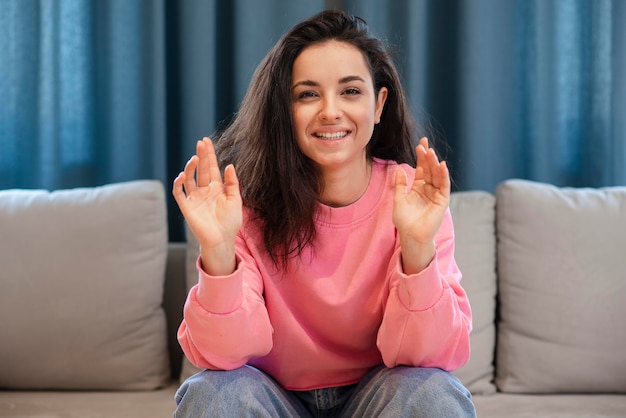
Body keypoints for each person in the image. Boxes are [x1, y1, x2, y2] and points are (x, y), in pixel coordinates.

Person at [172, 9, 475, 418]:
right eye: (308, 94)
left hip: (378, 396)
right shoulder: (246, 204)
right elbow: (222, 356)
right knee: (213, 392)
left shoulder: (413, 193)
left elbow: (432, 355)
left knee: (432, 391)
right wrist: (219, 249)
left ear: (379, 103)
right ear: (286, 109)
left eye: (350, 91)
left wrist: (417, 247)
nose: (330, 111)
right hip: (274, 398)